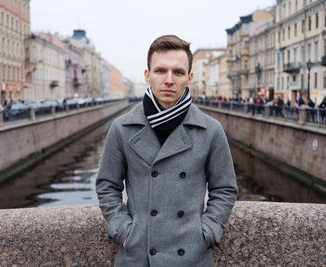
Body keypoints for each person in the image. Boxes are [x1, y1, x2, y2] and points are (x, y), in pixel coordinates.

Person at [96, 35, 238, 266]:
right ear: (147, 75)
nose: (169, 80)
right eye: (161, 71)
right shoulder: (122, 128)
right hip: (137, 255)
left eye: (178, 72)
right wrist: (123, 232)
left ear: (189, 78)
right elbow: (107, 185)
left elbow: (224, 188)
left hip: (191, 255)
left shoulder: (211, 130)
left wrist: (208, 232)